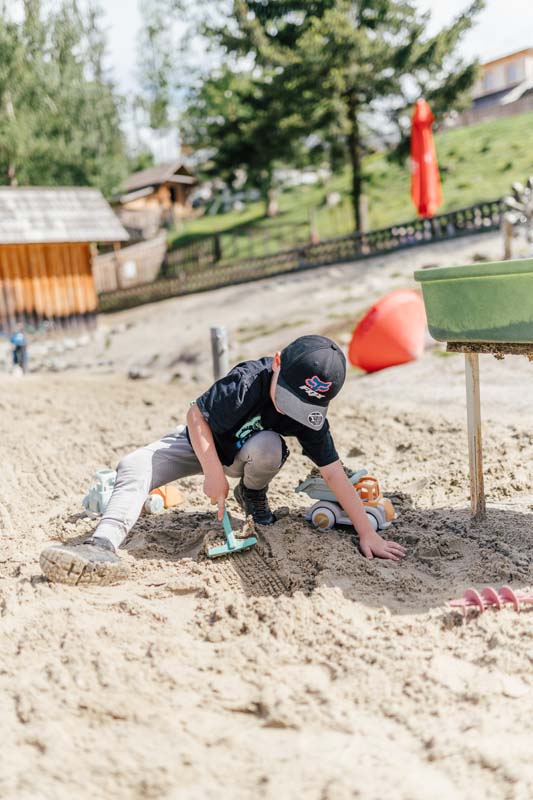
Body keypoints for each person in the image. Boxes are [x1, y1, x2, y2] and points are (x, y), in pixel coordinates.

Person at [40, 335, 405, 585]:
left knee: (269, 447)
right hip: (200, 444)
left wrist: (367, 532)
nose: (290, 410)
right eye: (288, 398)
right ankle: (102, 543)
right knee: (133, 464)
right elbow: (195, 416)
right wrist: (212, 473)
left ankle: (252, 493)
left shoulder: (308, 417)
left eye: (305, 407)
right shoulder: (246, 381)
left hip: (246, 455)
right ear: (277, 363)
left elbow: (334, 472)